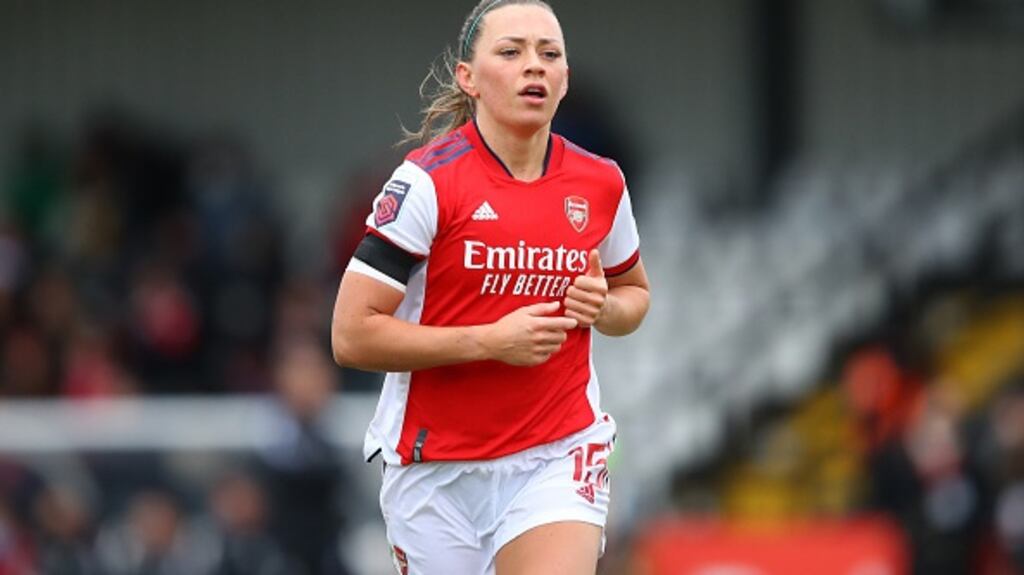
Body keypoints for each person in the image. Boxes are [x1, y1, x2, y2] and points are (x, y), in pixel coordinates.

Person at [331, 1, 650, 573]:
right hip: (436, 470)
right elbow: (351, 336)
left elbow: (635, 297)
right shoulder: (427, 182)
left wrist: (603, 308)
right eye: (511, 52)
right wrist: (488, 341)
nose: (534, 66)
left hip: (556, 452)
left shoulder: (601, 182)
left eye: (549, 54)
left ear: (565, 78)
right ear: (468, 78)